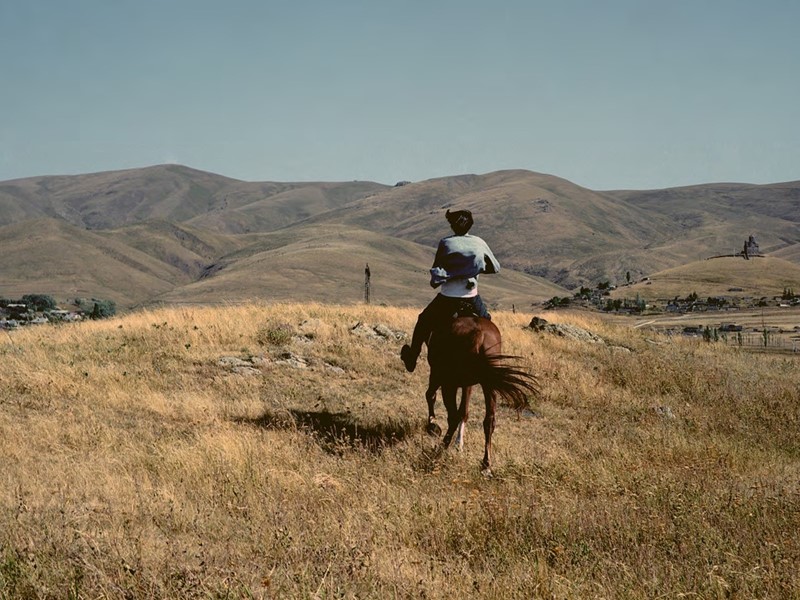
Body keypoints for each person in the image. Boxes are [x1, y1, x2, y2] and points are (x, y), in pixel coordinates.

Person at [400, 209, 500, 372]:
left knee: (423, 321)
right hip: (472, 298)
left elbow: (437, 269)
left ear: (453, 226)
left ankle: (412, 357)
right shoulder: (479, 242)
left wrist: (450, 274)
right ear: (470, 225)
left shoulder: (446, 243)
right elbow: (495, 267)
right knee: (488, 323)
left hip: (448, 298)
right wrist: (475, 269)